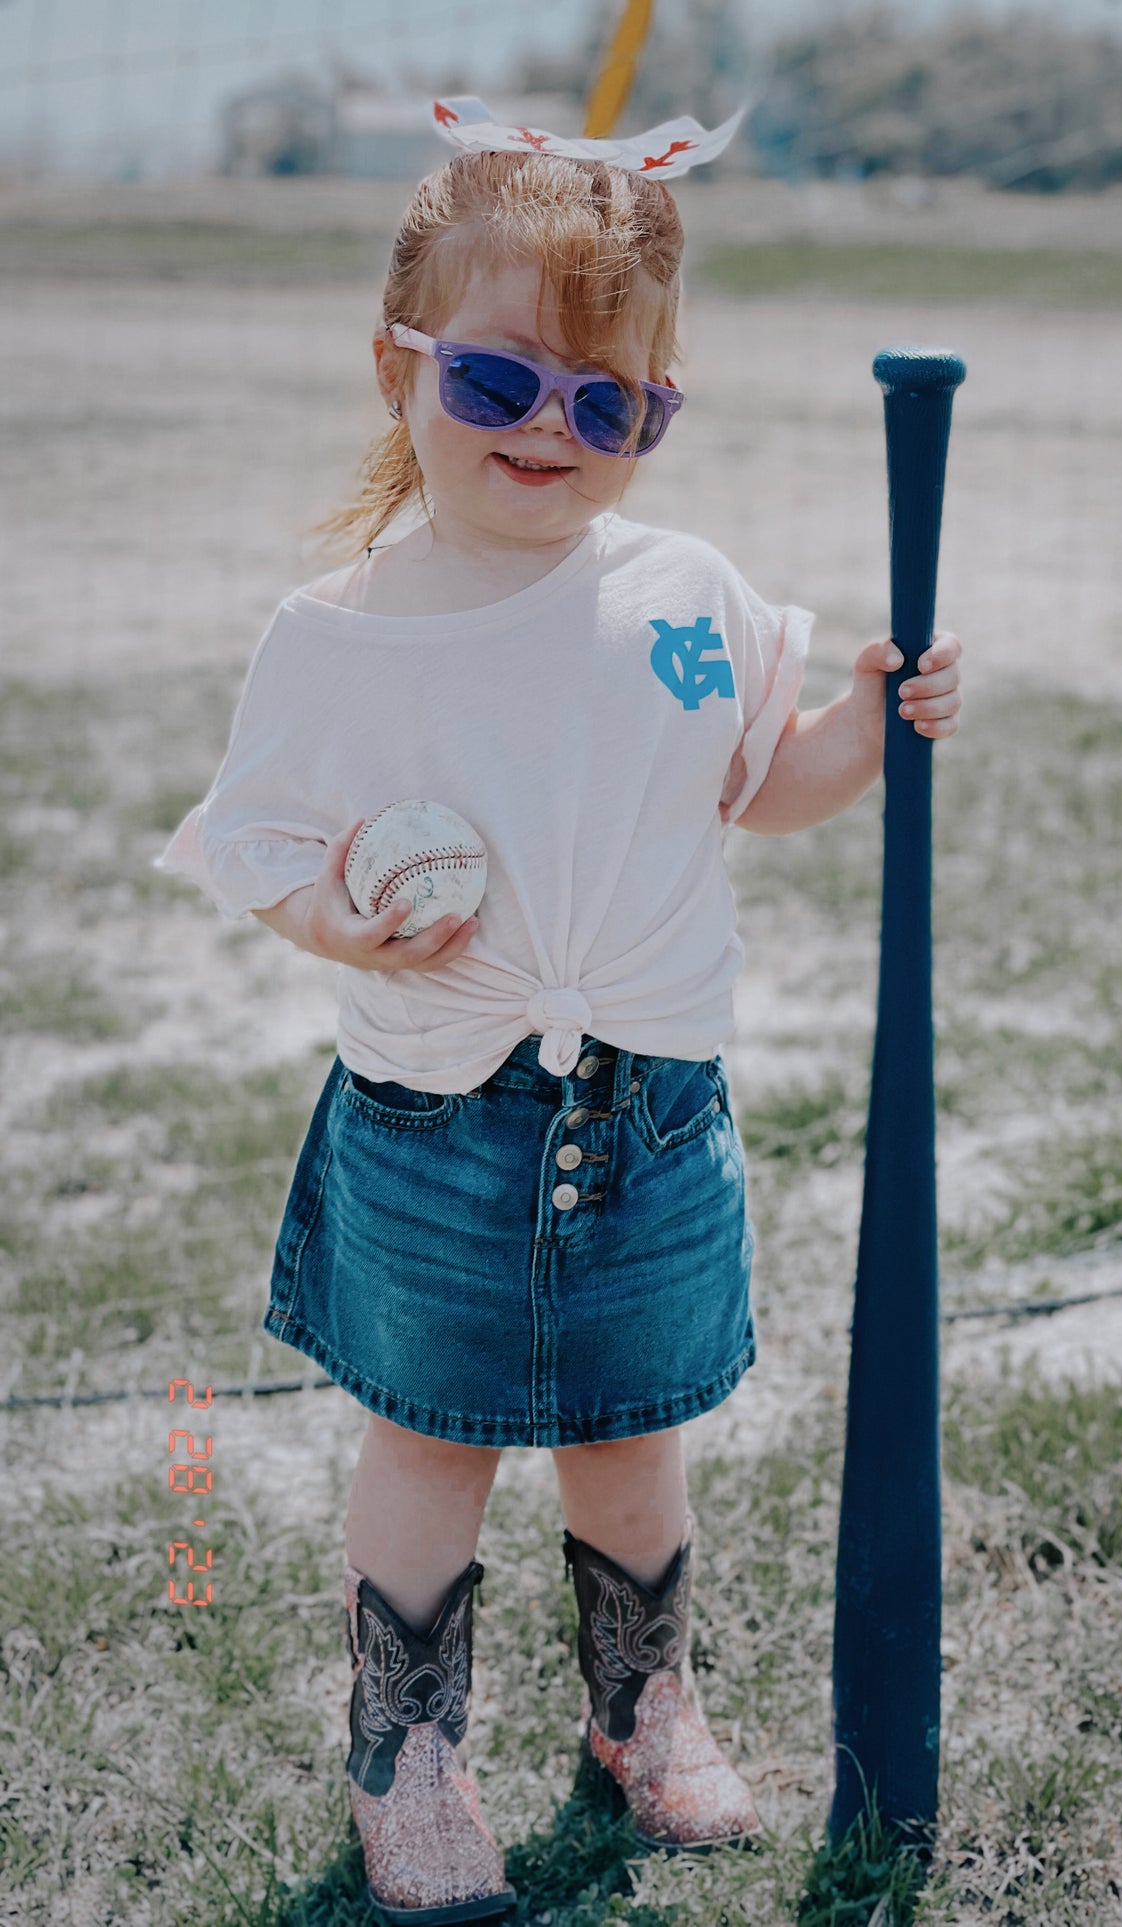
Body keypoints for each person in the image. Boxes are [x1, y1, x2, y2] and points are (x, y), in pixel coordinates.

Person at [154, 94, 961, 1925]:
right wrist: (344, 925)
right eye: (500, 385)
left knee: (629, 1433)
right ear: (398, 367)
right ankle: (408, 1751)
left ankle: (639, 1706)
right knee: (432, 1446)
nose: (553, 435)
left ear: (657, 414)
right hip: (441, 1113)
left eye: (612, 406)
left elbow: (766, 775)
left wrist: (868, 716)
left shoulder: (683, 597)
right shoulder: (341, 628)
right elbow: (259, 842)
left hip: (656, 1106)